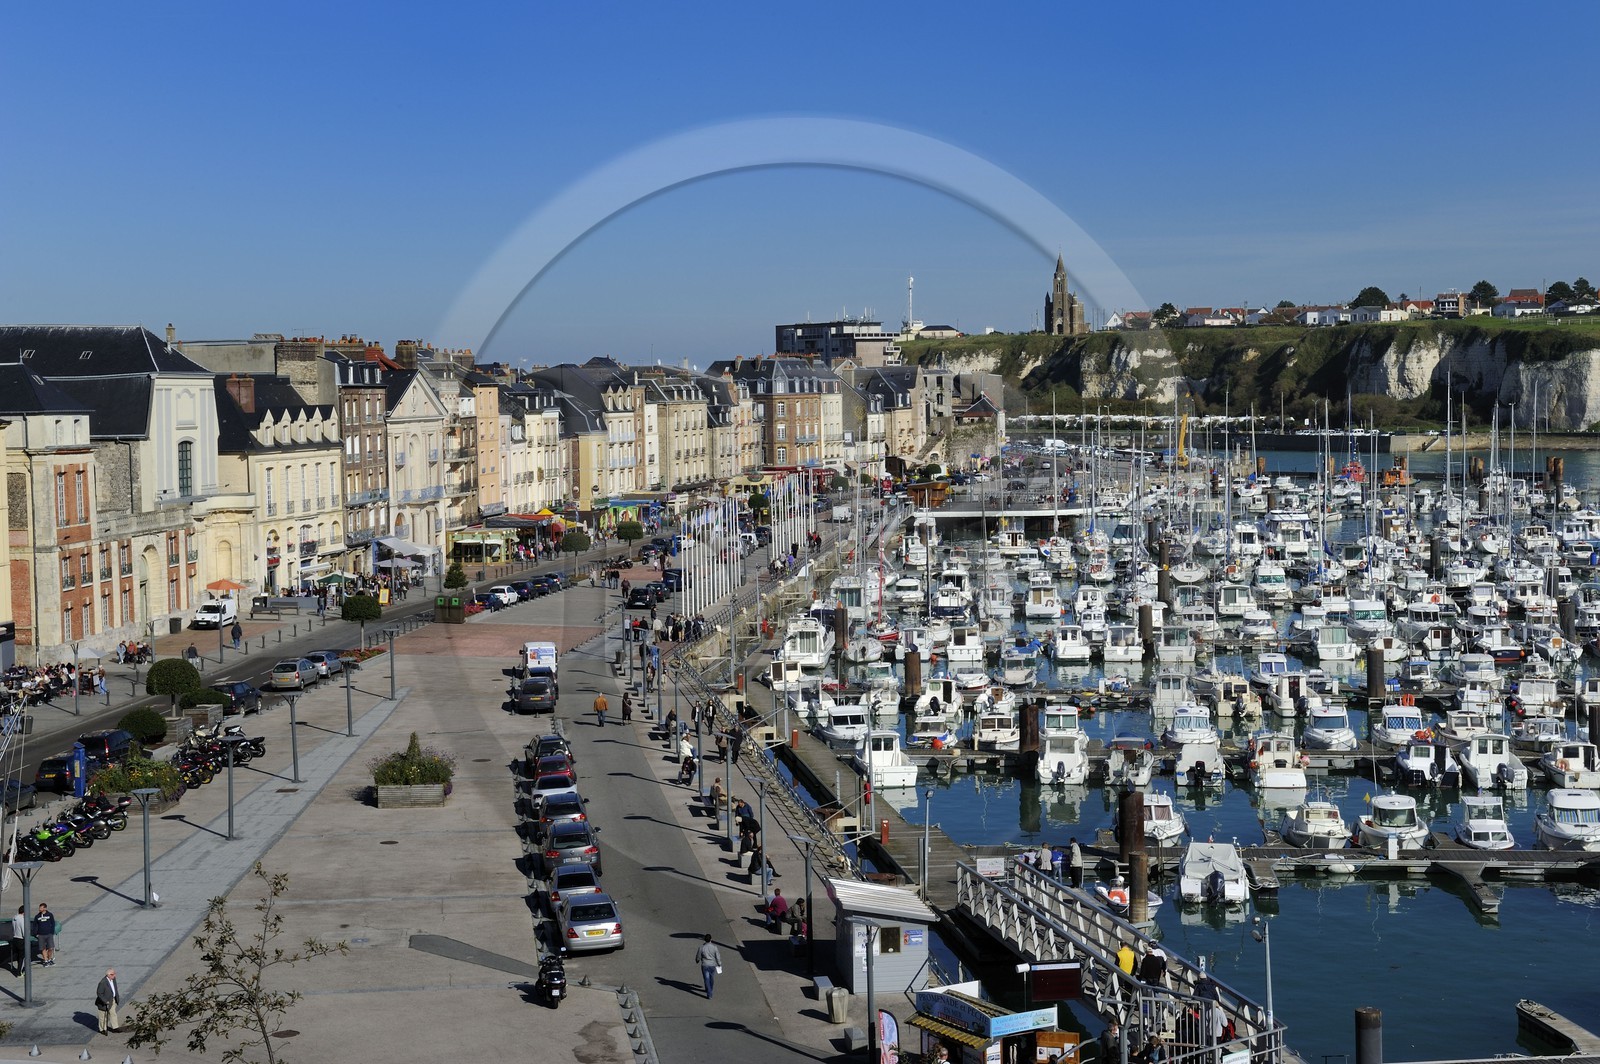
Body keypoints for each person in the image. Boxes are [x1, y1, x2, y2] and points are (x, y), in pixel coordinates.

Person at [694, 933, 722, 999]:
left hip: (705, 965)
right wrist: (719, 963)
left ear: (704, 940)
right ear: (711, 939)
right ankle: (710, 989)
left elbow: (698, 956)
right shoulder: (714, 947)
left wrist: (697, 960)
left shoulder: (702, 947)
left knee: (706, 978)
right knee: (711, 978)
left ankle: (709, 992)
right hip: (712, 965)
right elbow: (717, 956)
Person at [95, 967, 120, 1033]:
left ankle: (115, 1027)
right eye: (113, 974)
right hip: (103, 1002)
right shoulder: (102, 983)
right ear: (108, 975)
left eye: (114, 973)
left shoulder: (113, 979)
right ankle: (102, 1029)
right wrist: (105, 1001)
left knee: (113, 1013)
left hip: (112, 999)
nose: (114, 975)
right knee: (103, 1016)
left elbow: (115, 989)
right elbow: (99, 993)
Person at [8, 906, 23, 975]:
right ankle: (19, 972)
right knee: (22, 957)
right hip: (21, 939)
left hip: (15, 938)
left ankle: (18, 970)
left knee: (17, 956)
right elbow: (23, 930)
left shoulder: (14, 917)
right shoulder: (22, 919)